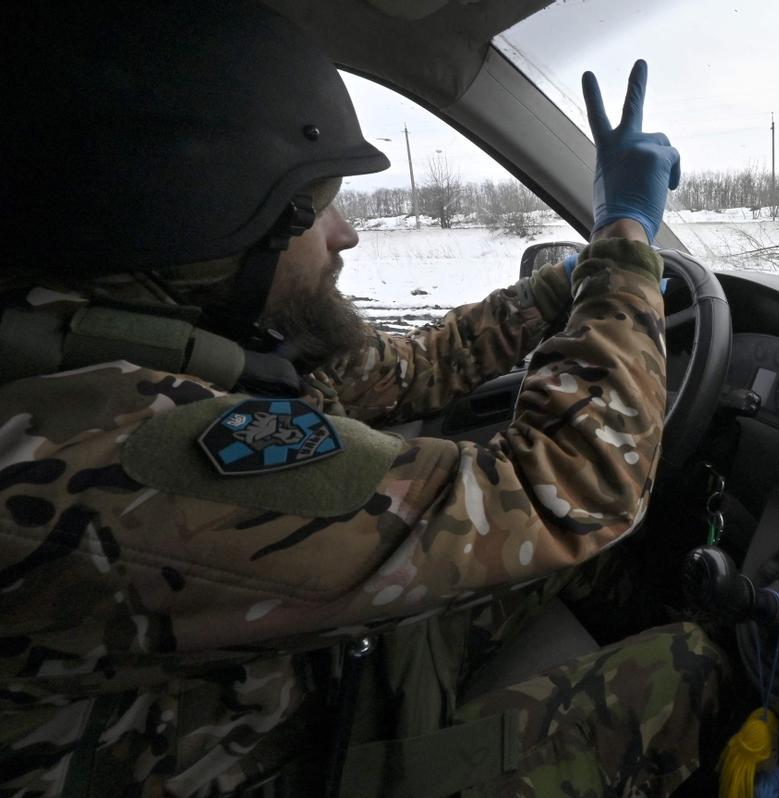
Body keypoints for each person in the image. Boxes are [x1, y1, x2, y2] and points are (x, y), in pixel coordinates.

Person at [0, 2, 725, 796]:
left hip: (265, 683)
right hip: (269, 752)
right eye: (321, 205)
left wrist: (575, 279)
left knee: (588, 572)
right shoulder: (120, 450)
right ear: (213, 217)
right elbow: (575, 486)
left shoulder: (135, 352)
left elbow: (410, 370)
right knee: (692, 664)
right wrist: (624, 238)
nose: (346, 234)